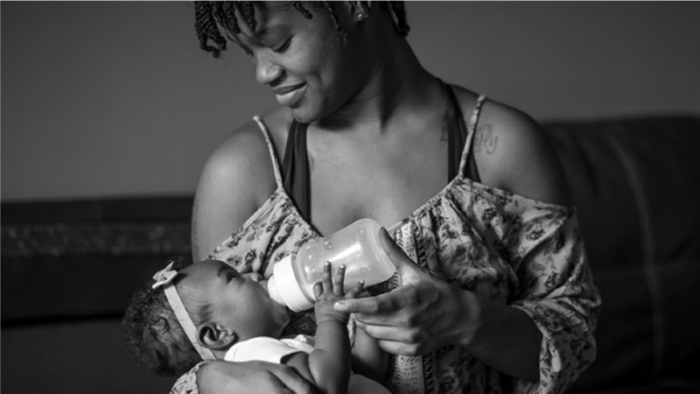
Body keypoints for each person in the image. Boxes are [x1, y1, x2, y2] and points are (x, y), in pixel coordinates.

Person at [176, 0, 601, 393]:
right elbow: (194, 345)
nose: (263, 73)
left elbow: (574, 339)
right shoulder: (243, 173)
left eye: (279, 43)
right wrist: (213, 379)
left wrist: (468, 320)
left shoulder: (501, 149)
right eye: (250, 53)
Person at [123, 258, 390, 394]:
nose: (255, 274)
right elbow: (327, 385)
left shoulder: (283, 346)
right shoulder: (251, 355)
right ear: (217, 334)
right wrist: (330, 320)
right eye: (233, 278)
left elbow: (363, 376)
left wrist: (364, 318)